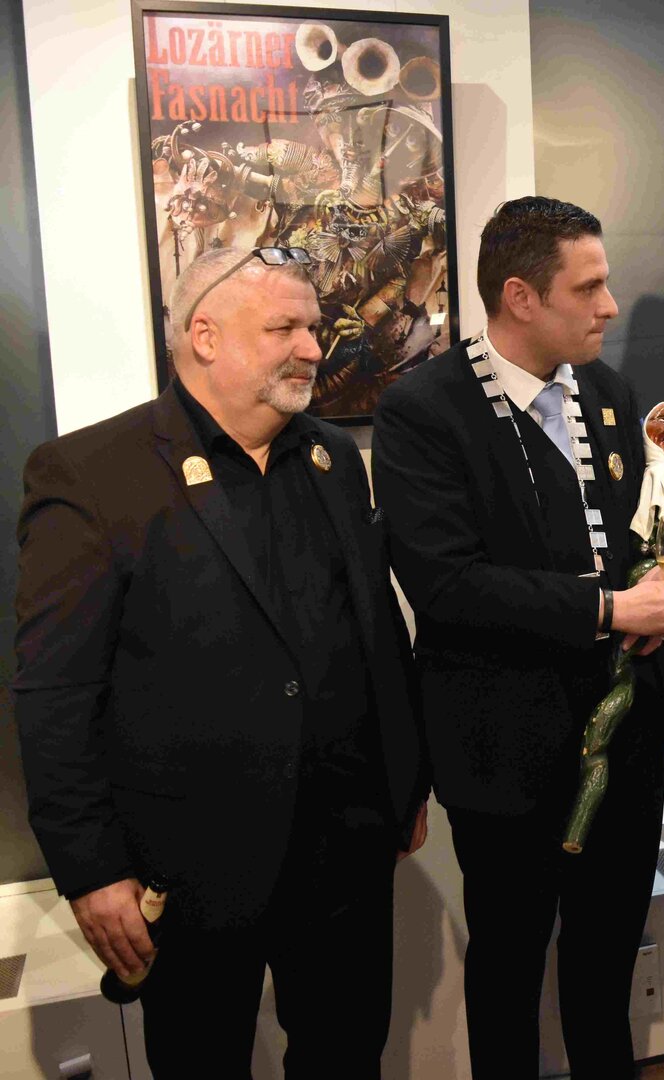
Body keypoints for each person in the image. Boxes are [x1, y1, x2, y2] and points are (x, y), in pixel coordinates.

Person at [14, 245, 429, 1078]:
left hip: (346, 848)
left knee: (350, 1055)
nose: (313, 347)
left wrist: (404, 780)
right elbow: (55, 693)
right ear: (204, 336)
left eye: (312, 326)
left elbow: (376, 628)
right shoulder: (92, 474)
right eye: (285, 328)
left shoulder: (332, 459)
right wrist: (92, 872)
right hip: (191, 868)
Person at [369, 196, 664, 1080]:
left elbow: (632, 539)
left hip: (621, 740)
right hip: (501, 745)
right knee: (509, 964)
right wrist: (610, 610)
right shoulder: (423, 410)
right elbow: (446, 584)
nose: (610, 306)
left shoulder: (610, 394)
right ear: (519, 295)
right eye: (588, 288)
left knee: (606, 957)